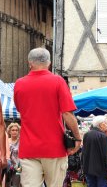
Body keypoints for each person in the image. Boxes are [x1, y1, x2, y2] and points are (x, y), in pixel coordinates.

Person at [13, 48, 81, 187]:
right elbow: (67, 113)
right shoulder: (58, 81)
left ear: (29, 63)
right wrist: (78, 138)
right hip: (54, 147)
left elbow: (21, 110)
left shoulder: (19, 84)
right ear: (49, 63)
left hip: (29, 147)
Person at [81, 116, 107, 187]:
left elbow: (83, 153)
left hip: (88, 169)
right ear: (101, 124)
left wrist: (83, 167)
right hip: (101, 170)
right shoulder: (103, 136)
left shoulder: (86, 135)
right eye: (106, 123)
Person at [3, 122, 21, 187]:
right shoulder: (6, 141)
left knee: (16, 184)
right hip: (7, 165)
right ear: (9, 131)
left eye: (16, 130)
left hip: (18, 166)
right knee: (6, 184)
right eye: (13, 130)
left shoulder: (21, 141)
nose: (14, 132)